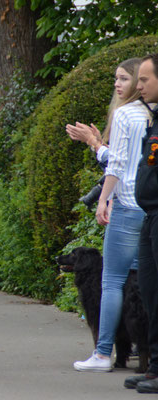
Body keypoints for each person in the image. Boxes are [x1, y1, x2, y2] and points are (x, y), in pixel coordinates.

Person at [70, 58, 149, 373]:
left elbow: (117, 164)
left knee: (113, 280)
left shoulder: (126, 114)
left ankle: (103, 352)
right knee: (145, 282)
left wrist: (103, 198)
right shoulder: (151, 114)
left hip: (127, 203)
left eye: (124, 79)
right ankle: (147, 352)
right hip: (150, 204)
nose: (117, 85)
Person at [124, 53, 158, 393]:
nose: (139, 85)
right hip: (149, 216)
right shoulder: (153, 118)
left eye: (145, 79)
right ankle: (154, 367)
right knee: (150, 291)